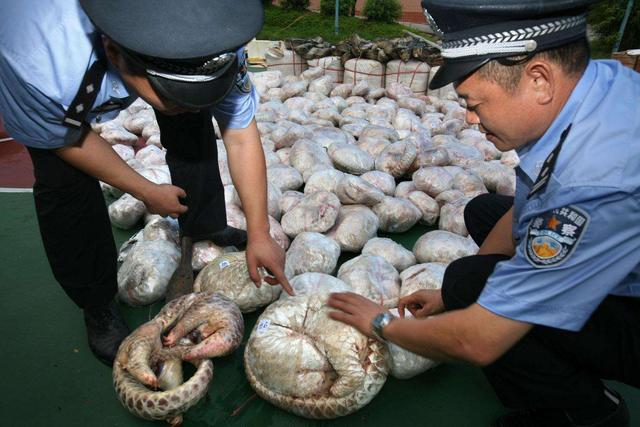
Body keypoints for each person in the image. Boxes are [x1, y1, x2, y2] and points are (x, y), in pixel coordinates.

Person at [328, 0, 640, 426]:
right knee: (482, 217)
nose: (470, 119)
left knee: (474, 285)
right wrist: (452, 294)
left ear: (538, 79)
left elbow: (480, 342)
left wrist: (381, 323)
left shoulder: (591, 180)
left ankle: (587, 412)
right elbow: (525, 211)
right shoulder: (596, 87)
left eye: (474, 103)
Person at [0, 0, 291, 367]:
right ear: (113, 53)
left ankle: (203, 223)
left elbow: (240, 134)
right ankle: (96, 303)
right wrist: (145, 190)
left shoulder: (215, 31)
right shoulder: (37, 58)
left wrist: (261, 230)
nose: (180, 104)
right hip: (54, 93)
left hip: (152, 55)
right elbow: (64, 139)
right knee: (63, 183)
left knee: (191, 114)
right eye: (167, 96)